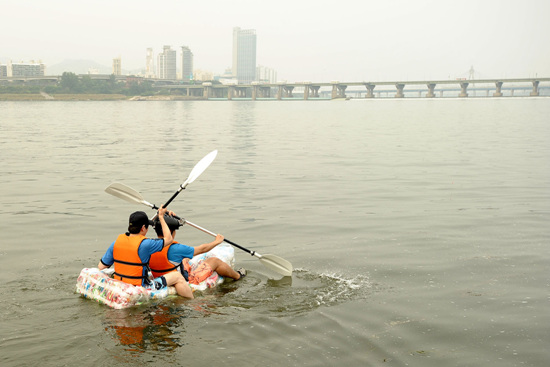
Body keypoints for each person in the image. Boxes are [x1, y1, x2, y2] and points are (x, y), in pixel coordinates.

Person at [97, 208, 194, 299]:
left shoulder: (115, 243)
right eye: (147, 227)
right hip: (139, 287)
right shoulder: (146, 244)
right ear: (143, 228)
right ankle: (191, 300)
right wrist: (161, 216)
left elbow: (101, 267)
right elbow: (168, 239)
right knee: (176, 276)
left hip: (122, 284)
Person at [149, 215, 246, 285]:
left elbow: (159, 218)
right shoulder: (176, 248)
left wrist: (166, 215)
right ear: (171, 232)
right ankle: (237, 276)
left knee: (184, 259)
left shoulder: (148, 245)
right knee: (214, 261)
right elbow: (202, 249)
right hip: (181, 282)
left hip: (161, 278)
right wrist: (217, 241)